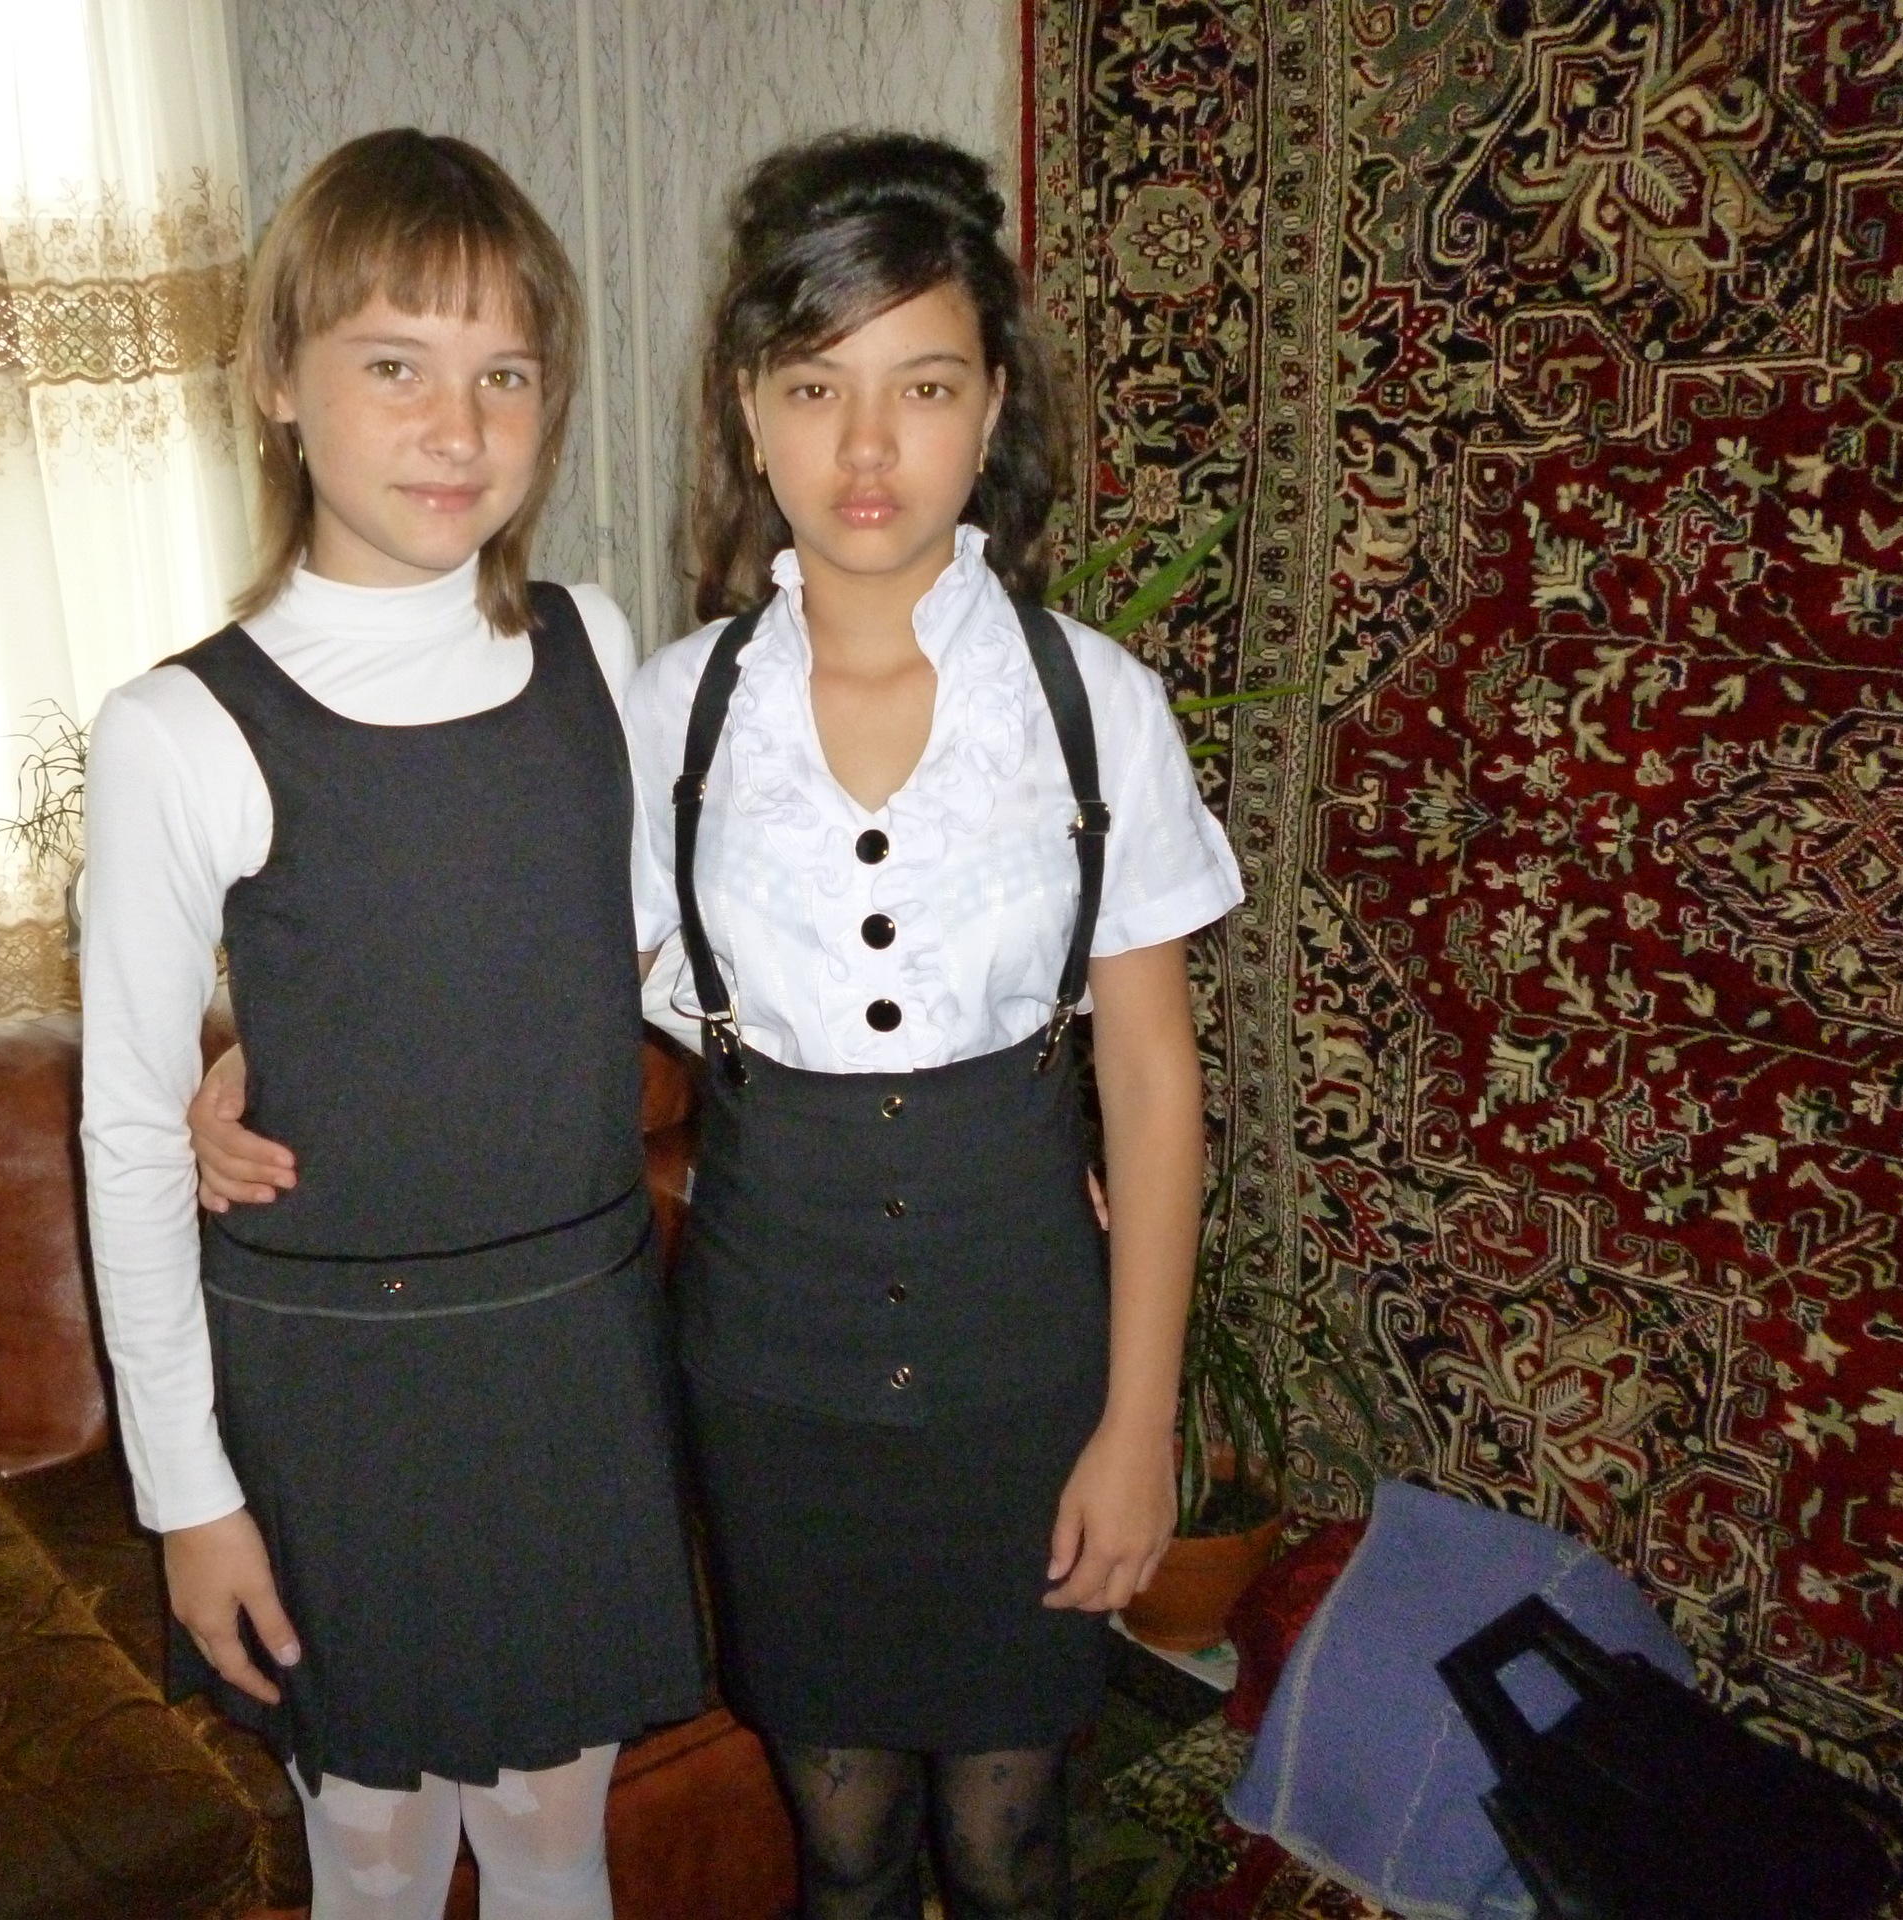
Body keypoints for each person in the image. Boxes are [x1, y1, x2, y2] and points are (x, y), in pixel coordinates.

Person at [194, 131, 1242, 1920]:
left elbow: (1150, 1082)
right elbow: (481, 951)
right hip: (770, 1362)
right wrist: (246, 1057)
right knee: (840, 1838)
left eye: (925, 386)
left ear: (993, 409)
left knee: (1012, 1842)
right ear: (749, 414)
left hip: (1023, 1343)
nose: (866, 447)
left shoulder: (1095, 706)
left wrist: (1141, 1420)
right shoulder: (663, 712)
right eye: (814, 386)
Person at [79, 128, 704, 1920]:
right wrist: (188, 1496)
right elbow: (125, 1131)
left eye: (505, 372)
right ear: (280, 381)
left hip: (572, 1350)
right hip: (334, 1385)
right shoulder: (178, 730)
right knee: (370, 1847)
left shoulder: (593, 643)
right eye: (395, 365)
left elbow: (661, 961)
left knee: (556, 1834)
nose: (458, 426)